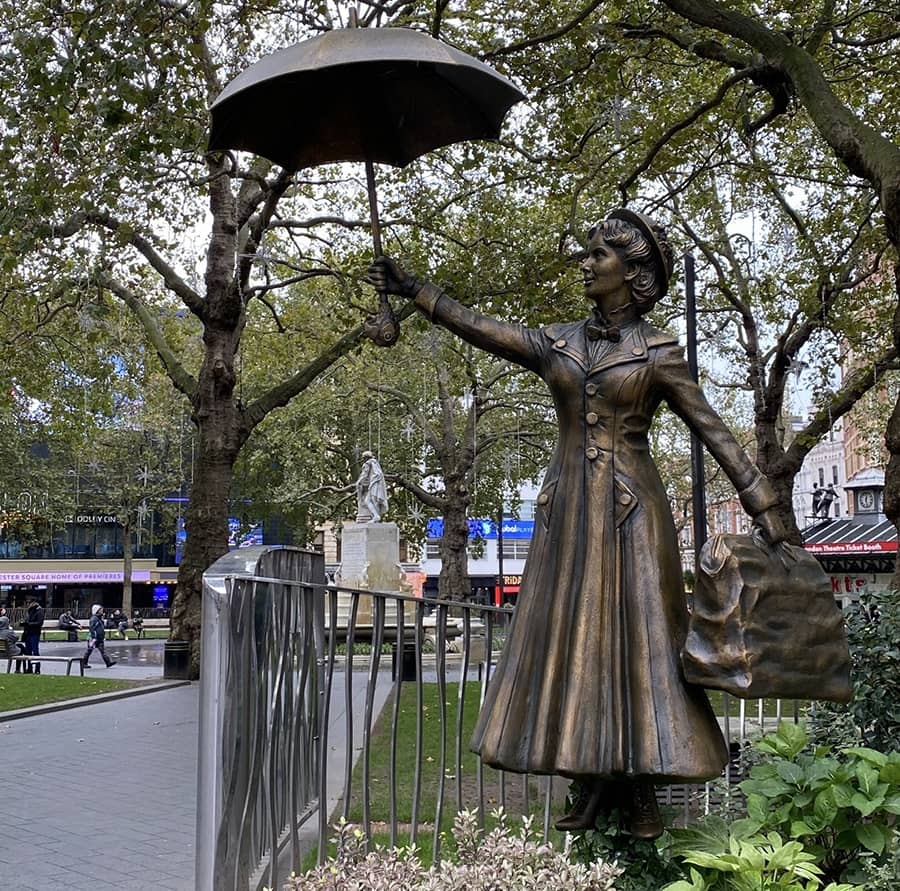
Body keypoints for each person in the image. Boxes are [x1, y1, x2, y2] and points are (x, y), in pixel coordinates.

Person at [368, 209, 787, 839]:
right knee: (579, 648)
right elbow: (485, 329)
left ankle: (642, 784)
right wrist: (418, 292)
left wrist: (764, 504)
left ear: (633, 272)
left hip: (632, 516)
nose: (586, 264)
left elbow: (711, 428)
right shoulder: (559, 341)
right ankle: (590, 780)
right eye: (588, 254)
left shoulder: (659, 351)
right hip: (568, 515)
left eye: (599, 256)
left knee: (640, 647)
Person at [354, 451, 389, 523]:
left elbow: (364, 474)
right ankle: (376, 516)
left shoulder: (367, 463)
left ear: (366, 458)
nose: (363, 460)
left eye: (363, 458)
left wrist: (358, 482)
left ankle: (376, 516)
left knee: (370, 500)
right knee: (373, 500)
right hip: (377, 484)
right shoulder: (375, 463)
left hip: (374, 484)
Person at [21, 600, 45, 674]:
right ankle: (30, 668)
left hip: (34, 633)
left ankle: (37, 668)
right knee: (28, 651)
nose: (27, 604)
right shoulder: (30, 611)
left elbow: (39, 622)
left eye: (28, 603)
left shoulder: (39, 610)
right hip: (28, 633)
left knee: (35, 650)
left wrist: (29, 624)